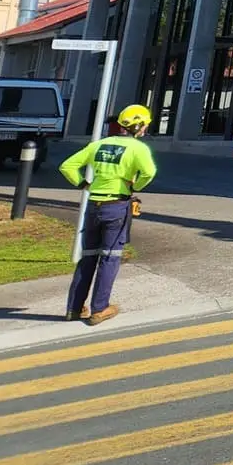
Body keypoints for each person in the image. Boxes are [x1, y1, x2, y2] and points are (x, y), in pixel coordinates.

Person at [59, 103, 158, 325]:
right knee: (110, 257)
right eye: (144, 126)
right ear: (138, 125)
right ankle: (99, 308)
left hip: (94, 205)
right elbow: (149, 172)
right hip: (117, 206)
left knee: (88, 257)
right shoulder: (138, 148)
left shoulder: (99, 144)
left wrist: (83, 184)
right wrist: (136, 187)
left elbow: (66, 166)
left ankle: (74, 309)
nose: (145, 130)